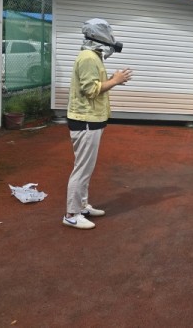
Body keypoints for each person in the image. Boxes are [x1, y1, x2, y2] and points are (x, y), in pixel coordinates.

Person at [63, 18, 132, 230]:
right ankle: (72, 214)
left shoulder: (93, 55)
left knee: (86, 167)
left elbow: (95, 85)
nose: (111, 36)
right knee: (82, 168)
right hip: (85, 120)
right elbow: (90, 90)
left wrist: (111, 79)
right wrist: (115, 81)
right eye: (108, 32)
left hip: (91, 120)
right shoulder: (87, 57)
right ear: (98, 34)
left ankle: (81, 206)